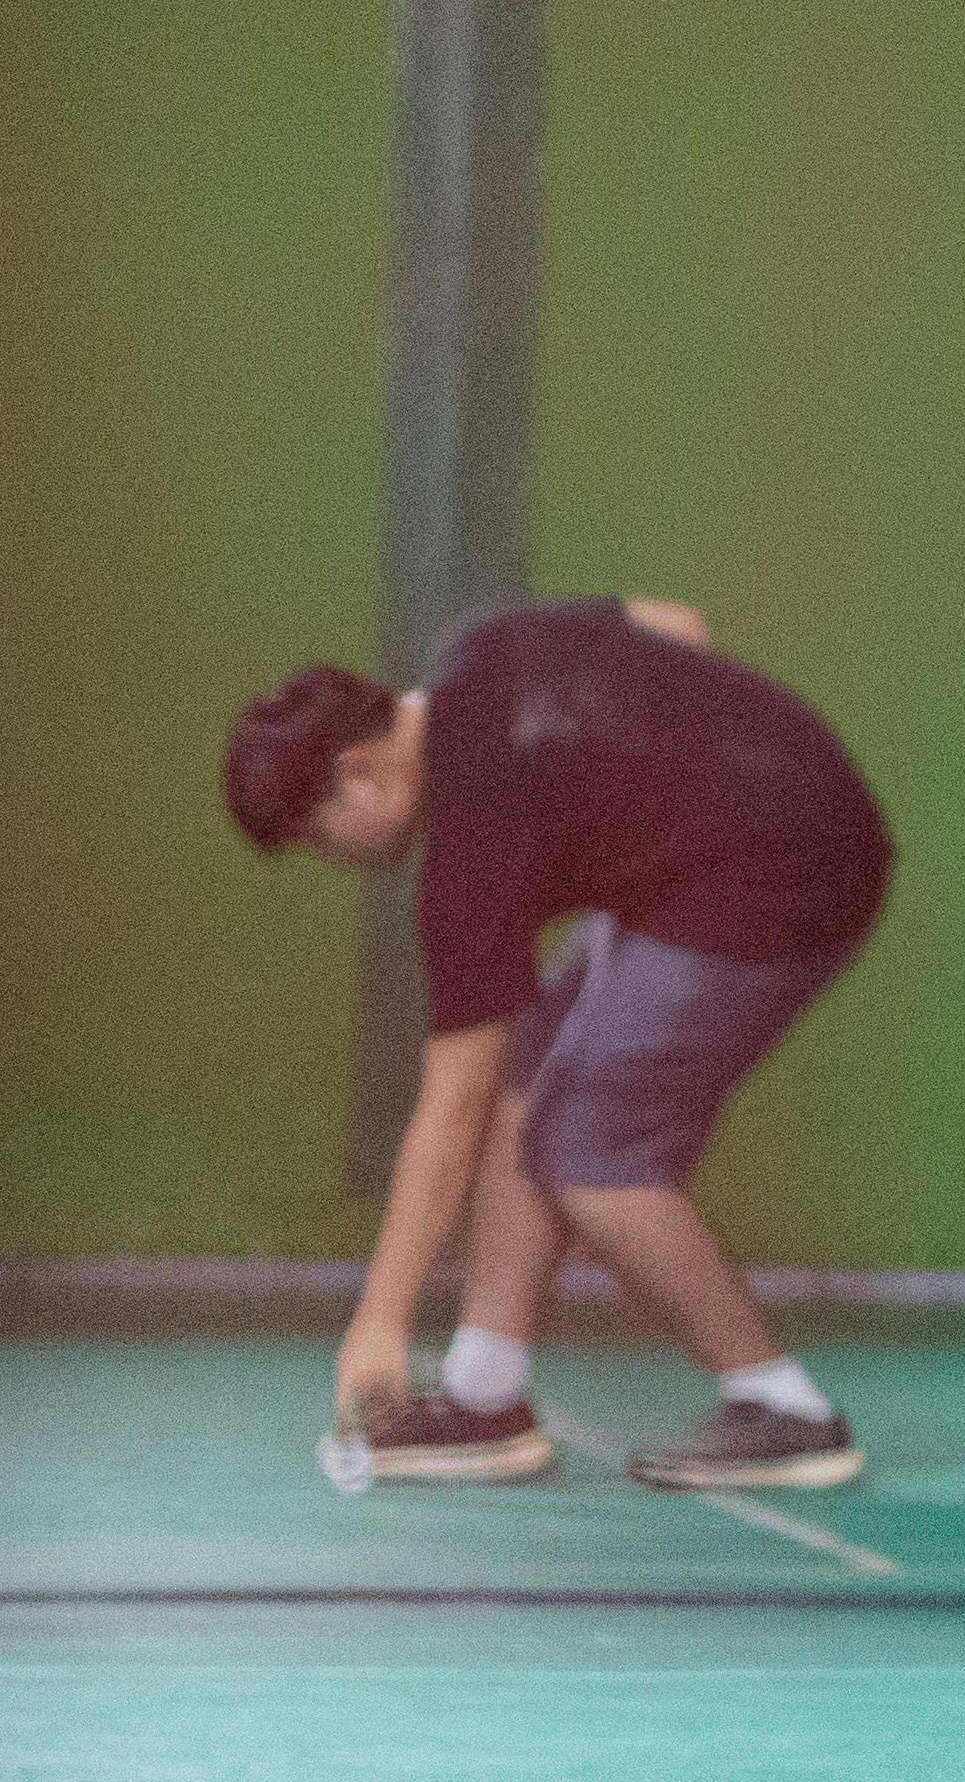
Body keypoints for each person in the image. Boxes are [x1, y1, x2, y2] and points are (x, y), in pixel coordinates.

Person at [225, 594, 893, 1492]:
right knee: (533, 1063)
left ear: (363, 772)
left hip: (789, 873)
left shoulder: (472, 854)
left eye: (317, 833)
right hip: (766, 826)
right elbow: (675, 624)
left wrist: (378, 1322)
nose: (329, 857)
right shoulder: (480, 643)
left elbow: (448, 1115)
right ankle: (484, 1395)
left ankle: (782, 1406)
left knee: (590, 1151)